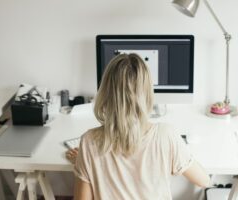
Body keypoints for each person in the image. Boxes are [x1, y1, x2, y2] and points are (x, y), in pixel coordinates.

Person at [66, 53, 210, 200]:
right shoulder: (165, 134)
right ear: (147, 92)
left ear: (106, 91)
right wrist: (175, 155)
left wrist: (83, 161)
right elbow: (204, 181)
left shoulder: (89, 141)